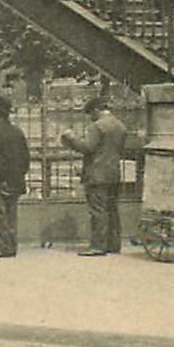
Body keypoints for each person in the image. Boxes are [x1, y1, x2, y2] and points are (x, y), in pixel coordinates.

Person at [62, 97, 129, 256]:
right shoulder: (120, 125)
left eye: (91, 113)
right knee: (112, 209)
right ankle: (113, 244)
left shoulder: (97, 126)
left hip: (97, 174)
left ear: (96, 110)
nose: (90, 117)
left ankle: (98, 246)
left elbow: (87, 147)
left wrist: (71, 139)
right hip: (114, 173)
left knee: (98, 210)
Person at [0, 96, 30, 258]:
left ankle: (1, 247)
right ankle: (11, 246)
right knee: (11, 215)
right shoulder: (17, 131)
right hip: (15, 180)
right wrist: (18, 175)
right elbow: (25, 158)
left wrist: (0, 178)